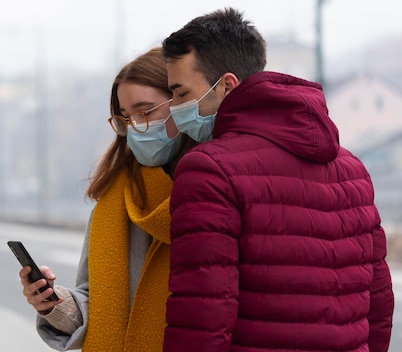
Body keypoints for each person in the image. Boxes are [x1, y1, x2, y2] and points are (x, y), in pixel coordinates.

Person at [161, 7, 394, 352]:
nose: (174, 108)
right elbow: (378, 301)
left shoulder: (208, 169)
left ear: (227, 86)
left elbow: (202, 315)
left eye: (180, 93)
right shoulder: (353, 170)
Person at [17, 47, 196, 351]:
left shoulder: (215, 189)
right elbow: (98, 306)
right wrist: (53, 303)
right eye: (125, 118)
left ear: (180, 102)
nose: (136, 127)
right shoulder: (118, 196)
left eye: (146, 111)